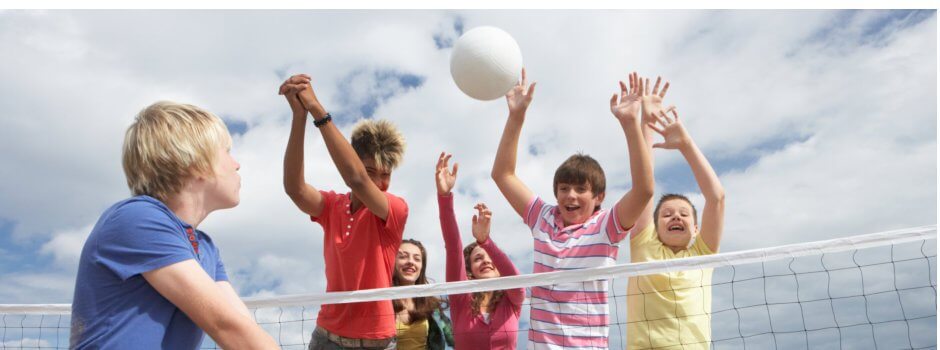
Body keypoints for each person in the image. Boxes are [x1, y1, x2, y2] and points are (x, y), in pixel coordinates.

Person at [70, 101, 279, 349]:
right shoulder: (137, 218)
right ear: (197, 163)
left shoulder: (206, 247)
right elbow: (228, 327)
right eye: (226, 151)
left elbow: (243, 326)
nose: (237, 164)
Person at [490, 69, 655, 349]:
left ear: (598, 197)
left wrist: (630, 124)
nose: (571, 195)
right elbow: (502, 174)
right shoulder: (543, 218)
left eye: (581, 189)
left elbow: (644, 190)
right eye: (564, 188)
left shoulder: (606, 226)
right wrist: (516, 116)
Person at [280, 74, 408, 350]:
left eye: (386, 174)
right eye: (371, 171)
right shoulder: (331, 206)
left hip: (377, 343)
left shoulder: (394, 208)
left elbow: (357, 179)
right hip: (327, 338)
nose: (381, 182)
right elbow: (294, 189)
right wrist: (299, 117)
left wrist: (318, 111)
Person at [626, 76, 726, 350]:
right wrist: (647, 122)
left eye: (684, 214)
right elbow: (644, 184)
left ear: (696, 228)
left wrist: (686, 144)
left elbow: (716, 198)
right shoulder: (644, 246)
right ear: (654, 227)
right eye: (667, 214)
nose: (676, 217)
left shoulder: (702, 255)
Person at [436, 152, 525, 349]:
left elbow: (517, 285)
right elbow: (453, 247)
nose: (485, 261)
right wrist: (444, 197)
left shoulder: (512, 301)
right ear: (470, 271)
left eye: (490, 257)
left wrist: (485, 242)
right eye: (477, 259)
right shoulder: (461, 297)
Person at [392, 238, 455, 350]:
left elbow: (454, 339)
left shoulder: (432, 305)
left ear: (422, 267)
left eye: (417, 259)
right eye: (403, 256)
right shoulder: (380, 303)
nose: (410, 261)